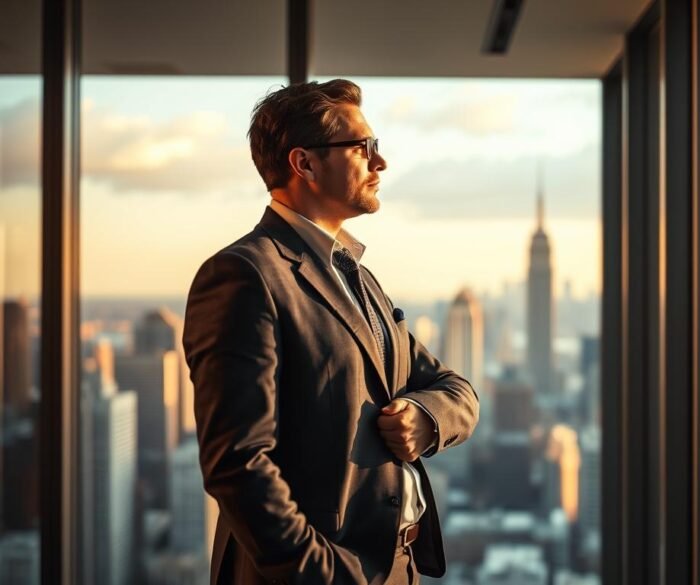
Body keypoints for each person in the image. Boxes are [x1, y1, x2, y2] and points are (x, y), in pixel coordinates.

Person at [183, 79, 479, 585]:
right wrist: (328, 575)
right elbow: (238, 464)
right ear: (305, 163)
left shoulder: (357, 276)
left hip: (397, 567)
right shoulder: (243, 276)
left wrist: (425, 417)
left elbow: (456, 390)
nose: (379, 163)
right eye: (364, 148)